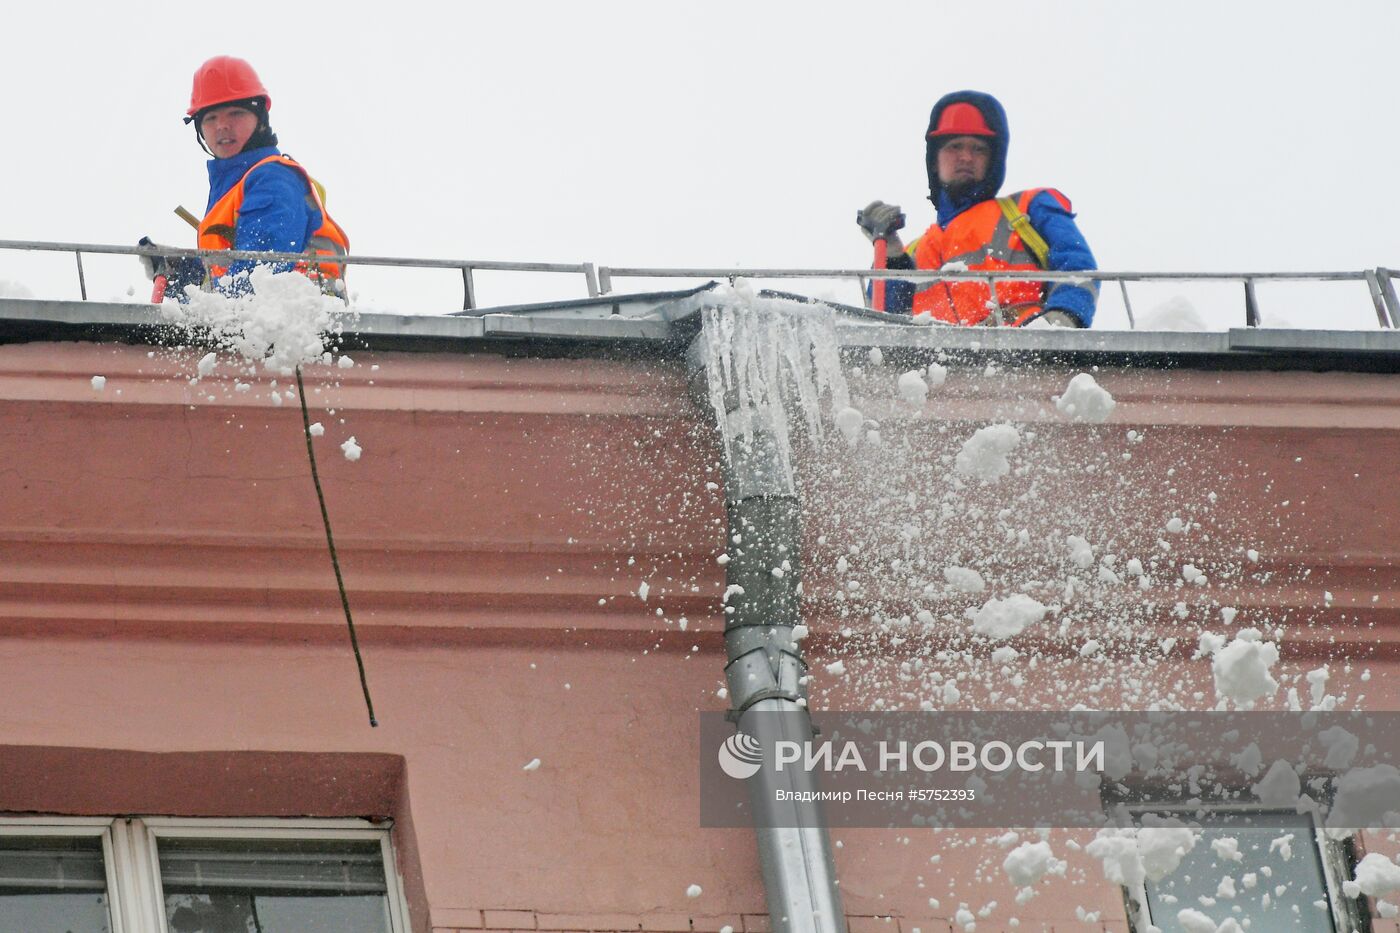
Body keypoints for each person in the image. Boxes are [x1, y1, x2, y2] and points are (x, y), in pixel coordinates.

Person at [858, 90, 1097, 327]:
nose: (966, 157)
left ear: (992, 160)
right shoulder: (914, 253)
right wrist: (891, 254)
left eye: (978, 149)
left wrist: (1061, 322)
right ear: (935, 159)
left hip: (1023, 355)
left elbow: (1077, 267)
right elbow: (885, 325)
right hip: (934, 363)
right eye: (955, 146)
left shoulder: (1027, 210)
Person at [141, 56, 349, 298]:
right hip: (265, 326)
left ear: (260, 118)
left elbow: (257, 279)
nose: (222, 126)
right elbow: (223, 285)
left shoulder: (272, 179)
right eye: (210, 118)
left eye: (236, 113)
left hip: (299, 326)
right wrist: (184, 274)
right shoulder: (233, 190)